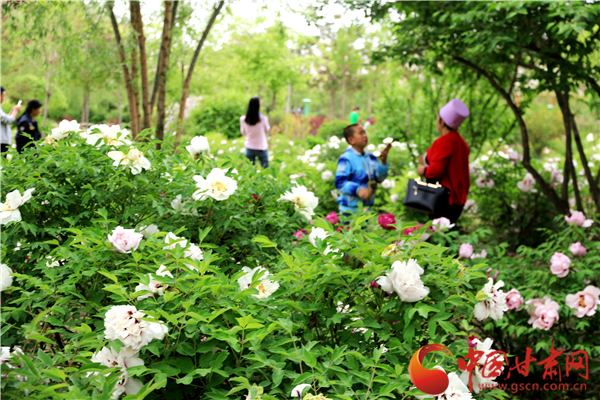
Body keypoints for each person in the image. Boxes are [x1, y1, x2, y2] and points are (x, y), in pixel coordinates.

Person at [417, 98, 470, 225]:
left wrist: (423, 170)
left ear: (442, 121)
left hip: (443, 199)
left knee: (438, 237)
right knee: (448, 235)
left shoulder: (444, 141)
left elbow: (436, 171)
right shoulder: (461, 143)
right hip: (458, 200)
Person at [335, 124, 391, 214]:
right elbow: (340, 183)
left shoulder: (371, 157)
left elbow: (379, 179)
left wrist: (383, 162)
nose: (365, 136)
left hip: (367, 209)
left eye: (365, 133)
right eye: (361, 133)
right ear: (351, 140)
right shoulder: (346, 159)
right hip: (350, 210)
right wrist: (357, 190)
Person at [240, 97, 270, 168]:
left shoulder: (243, 119)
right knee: (265, 170)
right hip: (261, 148)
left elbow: (243, 133)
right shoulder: (263, 119)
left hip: (249, 147)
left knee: (250, 170)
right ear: (258, 106)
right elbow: (267, 129)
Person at [1, 87, 22, 153]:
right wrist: (15, 111)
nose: (3, 98)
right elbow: (8, 120)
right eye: (3, 96)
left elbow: (3, 118)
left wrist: (12, 111)